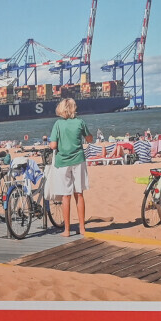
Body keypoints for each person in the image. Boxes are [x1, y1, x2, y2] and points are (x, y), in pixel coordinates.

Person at [48, 97, 92, 238]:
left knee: (66, 196)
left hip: (62, 162)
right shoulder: (80, 122)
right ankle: (82, 228)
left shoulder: (58, 124)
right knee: (79, 194)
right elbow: (89, 139)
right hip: (78, 160)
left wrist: (52, 143)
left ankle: (67, 230)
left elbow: (53, 145)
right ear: (74, 108)